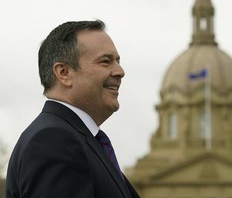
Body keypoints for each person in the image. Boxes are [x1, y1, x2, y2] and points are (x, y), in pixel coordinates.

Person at [6, 20, 140, 198]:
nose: (120, 71)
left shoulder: (75, 138)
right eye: (106, 62)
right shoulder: (54, 140)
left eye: (117, 61)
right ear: (63, 73)